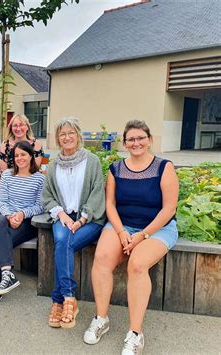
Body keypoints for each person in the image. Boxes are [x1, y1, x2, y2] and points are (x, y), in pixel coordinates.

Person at [83, 120, 179, 355]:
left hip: (158, 228)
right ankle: (101, 319)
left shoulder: (164, 167)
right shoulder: (116, 168)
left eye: (140, 138)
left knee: (136, 264)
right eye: (131, 139)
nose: (136, 143)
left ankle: (135, 333)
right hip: (123, 225)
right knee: (103, 257)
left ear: (149, 140)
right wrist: (122, 232)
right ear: (125, 143)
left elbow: (169, 209)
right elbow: (110, 204)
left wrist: (143, 235)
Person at [43, 117, 106, 329]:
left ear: (78, 136)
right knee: (62, 240)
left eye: (71, 133)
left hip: (89, 219)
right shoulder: (53, 165)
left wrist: (81, 219)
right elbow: (47, 196)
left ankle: (59, 299)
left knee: (65, 244)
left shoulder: (92, 161)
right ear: (58, 139)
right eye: (62, 134)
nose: (67, 137)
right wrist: (61, 215)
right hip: (63, 217)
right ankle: (69, 299)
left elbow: (98, 193)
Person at [0, 141, 45, 309]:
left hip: (27, 223)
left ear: (31, 156)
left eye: (23, 154)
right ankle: (6, 274)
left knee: (1, 241)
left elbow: (40, 206)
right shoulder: (8, 175)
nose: (19, 158)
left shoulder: (39, 178)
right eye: (16, 155)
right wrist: (10, 216)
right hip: (7, 219)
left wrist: (22, 214)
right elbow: (1, 201)